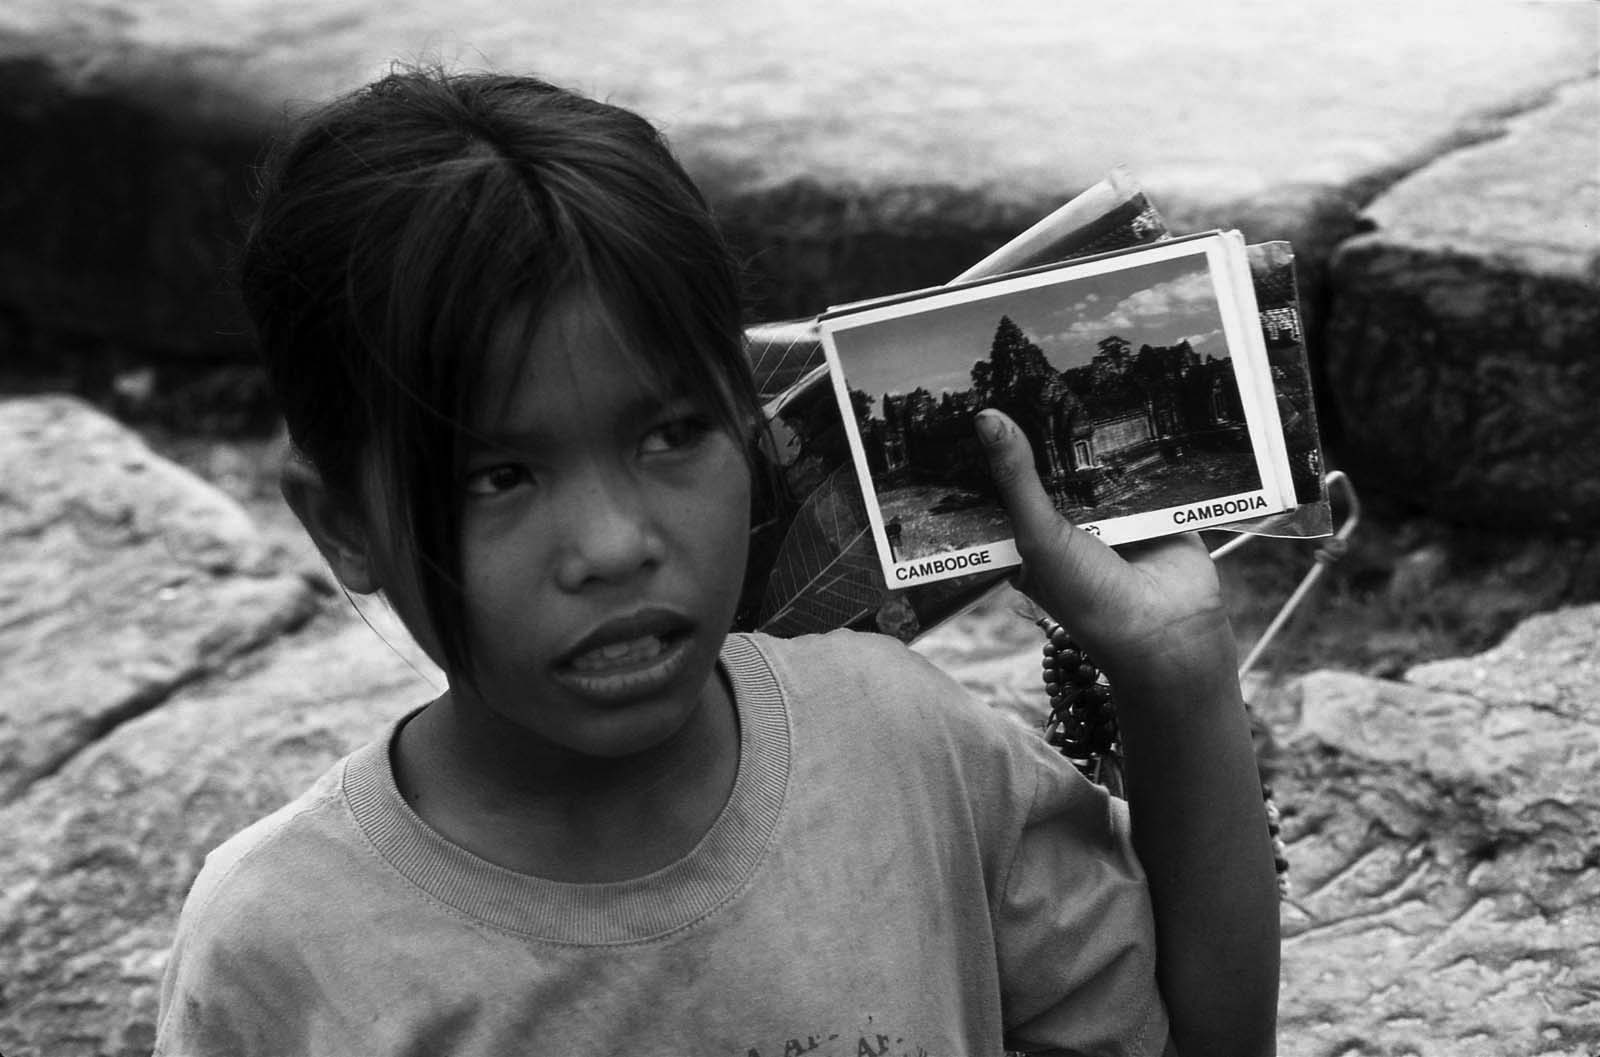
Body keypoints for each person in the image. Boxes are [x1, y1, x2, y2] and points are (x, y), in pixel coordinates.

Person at [154, 66, 1278, 1057]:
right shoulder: (284, 945)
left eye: (670, 434)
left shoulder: (910, 747)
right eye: (495, 476)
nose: (613, 545)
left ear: (750, 426)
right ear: (344, 523)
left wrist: (1175, 671)